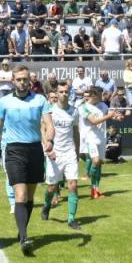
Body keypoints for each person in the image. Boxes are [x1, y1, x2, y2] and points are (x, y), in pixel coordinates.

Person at [0, 65, 55, 255]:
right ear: (13, 81)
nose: (22, 82)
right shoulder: (4, 102)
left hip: (35, 149)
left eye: (25, 79)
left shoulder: (40, 100)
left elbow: (49, 125)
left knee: (29, 196)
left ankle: (21, 233)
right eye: (18, 79)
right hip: (14, 150)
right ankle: (25, 237)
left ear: (30, 80)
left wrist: (49, 140)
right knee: (20, 195)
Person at [39, 83, 82, 230]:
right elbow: (43, 129)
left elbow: (76, 131)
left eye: (66, 91)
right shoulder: (50, 110)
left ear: (69, 93)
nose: (64, 94)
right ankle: (46, 206)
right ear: (56, 93)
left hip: (69, 152)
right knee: (52, 187)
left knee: (73, 185)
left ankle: (71, 219)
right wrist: (47, 146)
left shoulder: (74, 111)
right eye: (61, 91)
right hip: (54, 153)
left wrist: (77, 151)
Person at [78, 87, 122, 197]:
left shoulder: (103, 105)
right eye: (100, 94)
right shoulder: (83, 107)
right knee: (96, 161)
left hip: (101, 138)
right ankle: (91, 181)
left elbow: (109, 114)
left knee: (99, 165)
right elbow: (94, 121)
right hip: (90, 138)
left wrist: (118, 117)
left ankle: (95, 189)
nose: (102, 97)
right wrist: (110, 115)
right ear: (94, 95)